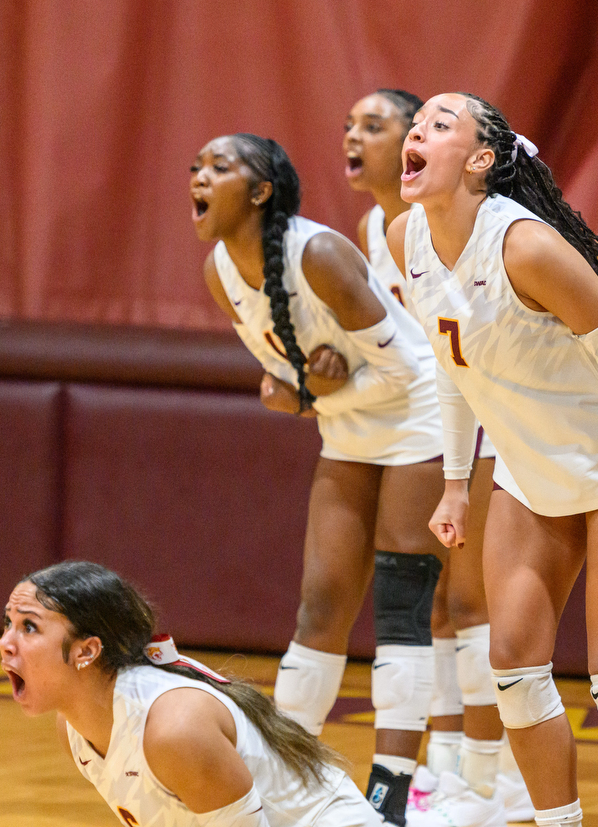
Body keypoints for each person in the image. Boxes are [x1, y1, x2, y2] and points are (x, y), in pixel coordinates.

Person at [386, 92, 598, 827]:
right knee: (511, 664)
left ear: (481, 160)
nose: (417, 130)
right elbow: (453, 365)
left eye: (440, 125)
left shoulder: (525, 246)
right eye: (417, 124)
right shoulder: (401, 237)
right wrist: (454, 484)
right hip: (524, 471)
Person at [191, 132, 447, 824]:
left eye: (218, 166)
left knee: (400, 611)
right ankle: (284, 771)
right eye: (196, 167)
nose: (198, 174)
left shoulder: (321, 254)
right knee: (319, 607)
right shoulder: (220, 268)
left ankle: (390, 792)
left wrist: (309, 396)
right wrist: (299, 393)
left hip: (419, 420)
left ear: (261, 190)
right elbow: (290, 378)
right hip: (351, 424)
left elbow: (411, 369)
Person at [343, 90, 532, 823]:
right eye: (351, 126)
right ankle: (453, 765)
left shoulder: (498, 230)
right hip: (439, 420)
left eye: (379, 124)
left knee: (473, 602)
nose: (358, 137)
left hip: (493, 420)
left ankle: (493, 779)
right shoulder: (384, 229)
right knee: (446, 609)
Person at [0, 560, 380, 826]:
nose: (5, 643)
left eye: (29, 627)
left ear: (87, 650)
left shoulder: (174, 729)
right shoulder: (74, 728)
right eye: (8, 624)